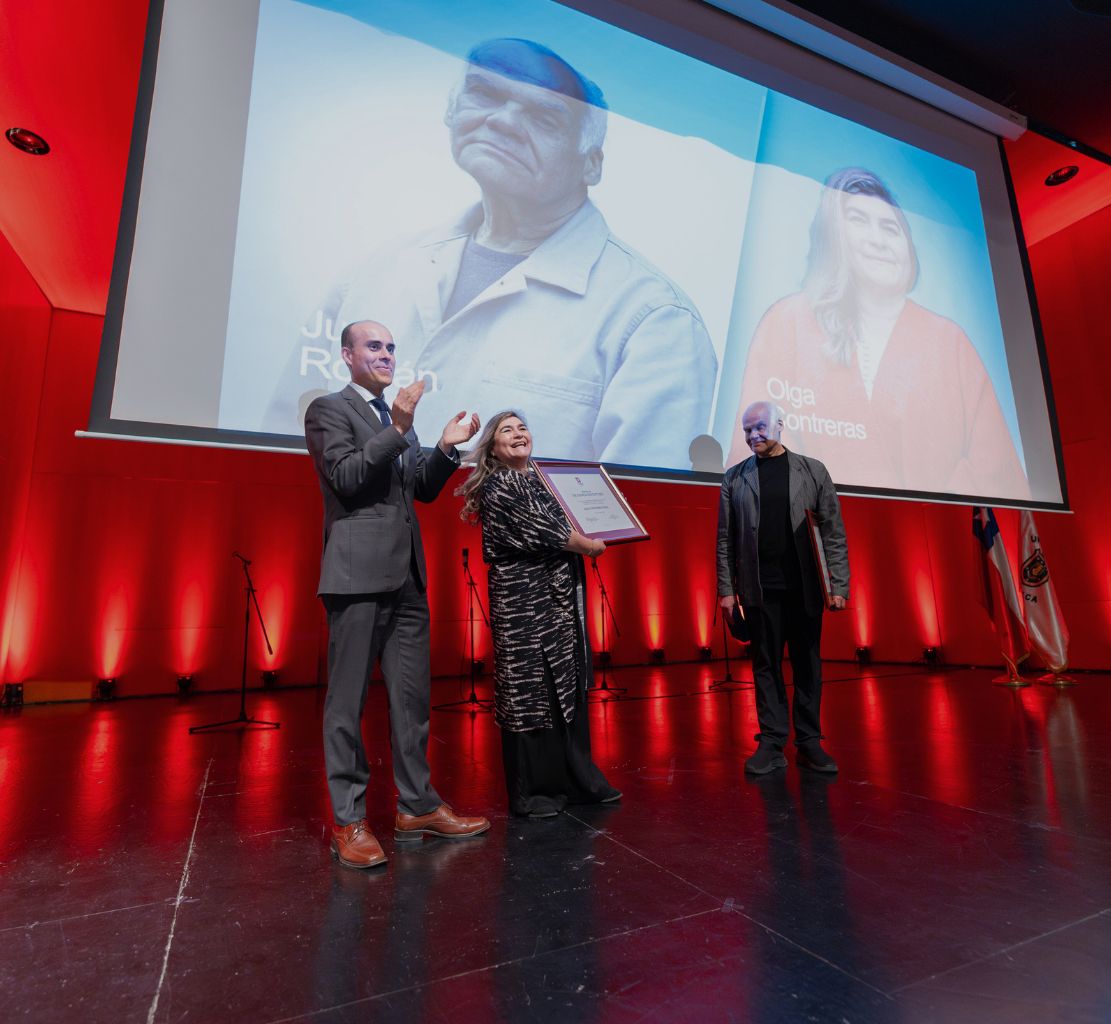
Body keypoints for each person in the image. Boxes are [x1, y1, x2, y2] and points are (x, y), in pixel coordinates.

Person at [266, 38, 716, 470]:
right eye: (484, 93)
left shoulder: (657, 320)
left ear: (592, 162)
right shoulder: (379, 268)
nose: (502, 122)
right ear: (451, 110)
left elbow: (635, 508)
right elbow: (287, 433)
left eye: (544, 117)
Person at [304, 319, 490, 869]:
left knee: (411, 702)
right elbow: (346, 477)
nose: (386, 354)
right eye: (374, 346)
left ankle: (418, 806)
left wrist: (446, 449)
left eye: (390, 346)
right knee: (347, 704)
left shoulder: (393, 418)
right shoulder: (329, 409)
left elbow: (421, 490)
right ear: (346, 355)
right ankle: (348, 819)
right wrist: (401, 426)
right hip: (357, 575)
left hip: (407, 577)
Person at [730, 167, 1029, 500]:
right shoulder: (786, 322)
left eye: (891, 228)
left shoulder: (949, 341)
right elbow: (757, 458)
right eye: (858, 221)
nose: (879, 240)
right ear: (832, 238)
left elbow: (996, 475)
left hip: (934, 535)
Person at [457, 410, 621, 817]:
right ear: (492, 447)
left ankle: (577, 780)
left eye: (523, 428)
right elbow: (543, 530)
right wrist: (588, 545)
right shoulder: (500, 485)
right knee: (530, 691)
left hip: (558, 597)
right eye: (506, 430)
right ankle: (535, 792)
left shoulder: (545, 480)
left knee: (564, 687)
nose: (518, 435)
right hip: (522, 601)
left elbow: (578, 515)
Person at [717, 400, 851, 775]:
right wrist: (727, 592)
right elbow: (725, 540)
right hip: (759, 590)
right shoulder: (734, 477)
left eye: (759, 427)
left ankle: (809, 741)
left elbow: (833, 531)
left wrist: (838, 583)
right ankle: (772, 741)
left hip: (805, 588)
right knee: (766, 666)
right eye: (746, 430)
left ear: (779, 425)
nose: (753, 435)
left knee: (808, 665)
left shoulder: (813, 470)